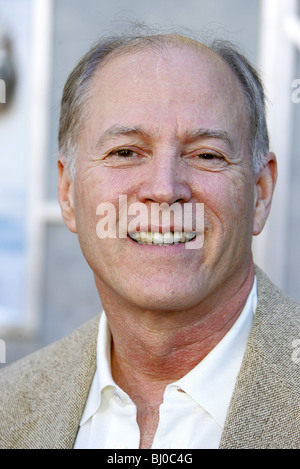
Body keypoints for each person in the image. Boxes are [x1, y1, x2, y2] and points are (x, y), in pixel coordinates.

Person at [0, 30, 299, 450]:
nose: (164, 188)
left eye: (207, 155)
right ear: (67, 192)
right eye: (125, 152)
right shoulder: (7, 405)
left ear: (261, 193)